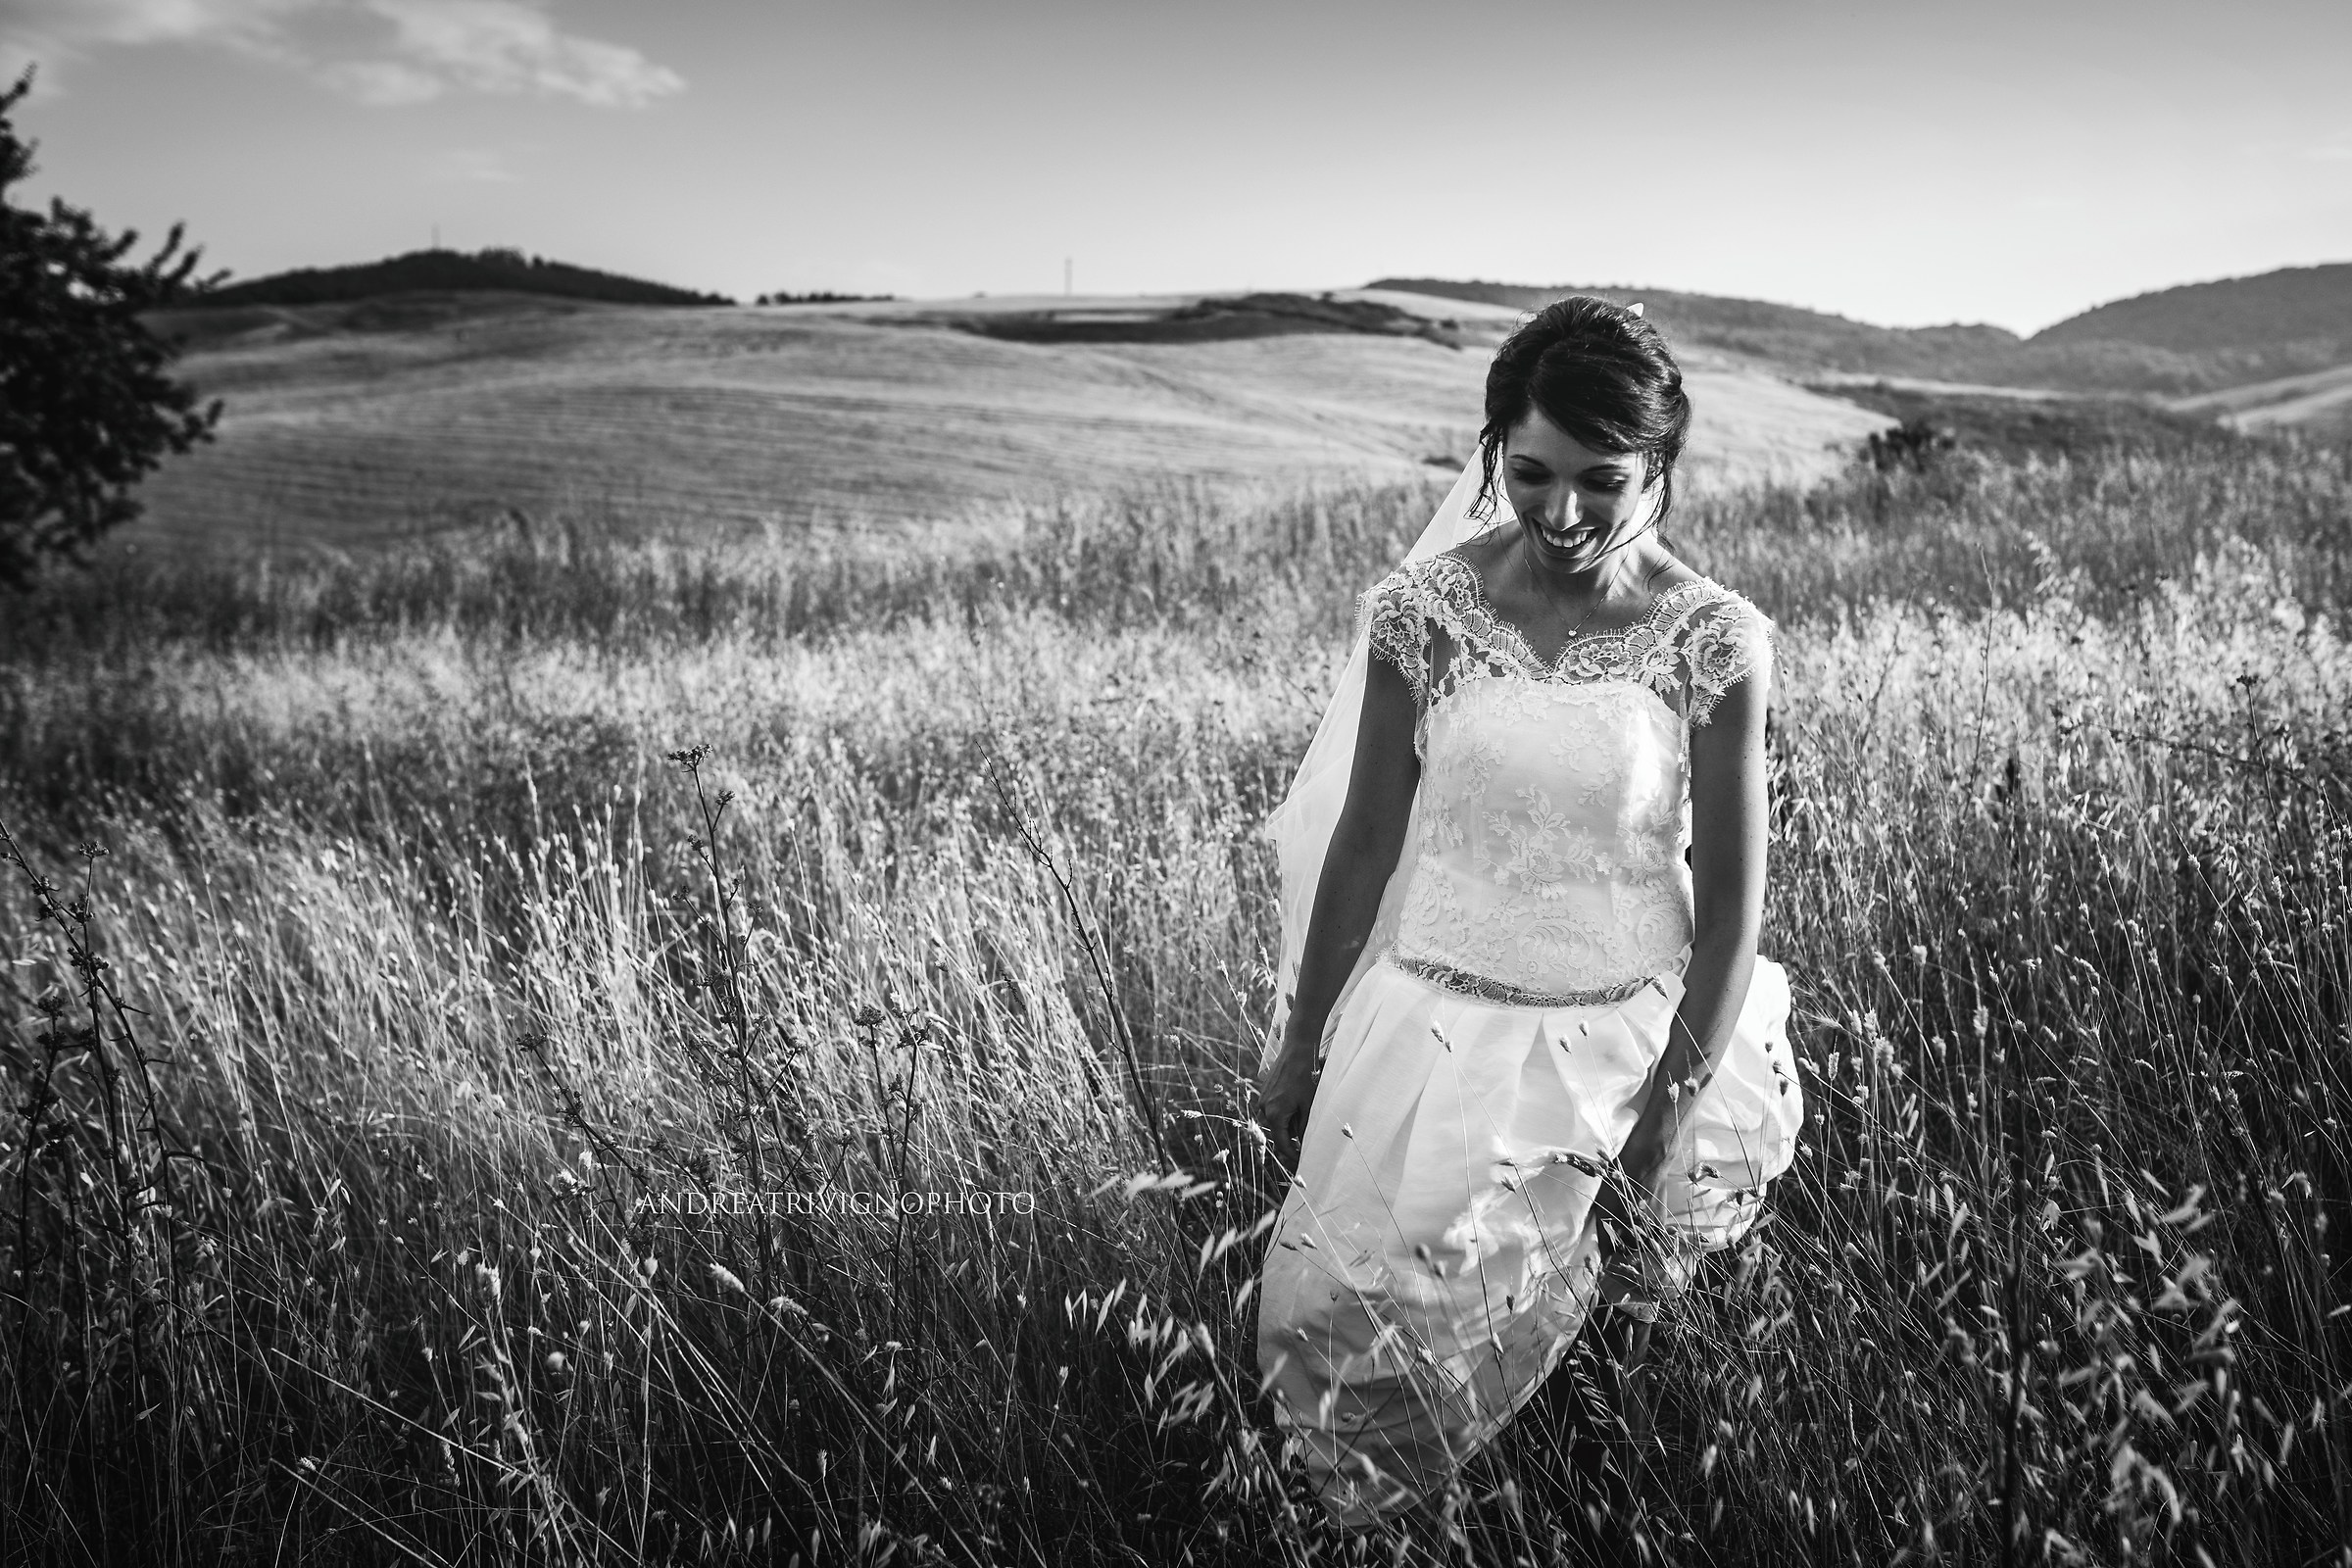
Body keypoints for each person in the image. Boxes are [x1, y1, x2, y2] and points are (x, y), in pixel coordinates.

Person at [1250, 296, 1806, 1536]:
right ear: (1492, 451)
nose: (1560, 513)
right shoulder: (1423, 612)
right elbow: (1365, 844)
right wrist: (1301, 1041)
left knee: (1612, 1375)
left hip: (1630, 1053)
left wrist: (1660, 1125)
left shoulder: (1713, 640)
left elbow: (1732, 911)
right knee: (1343, 1324)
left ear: (1659, 465)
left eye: (1601, 480)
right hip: (1434, 1035)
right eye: (1531, 472)